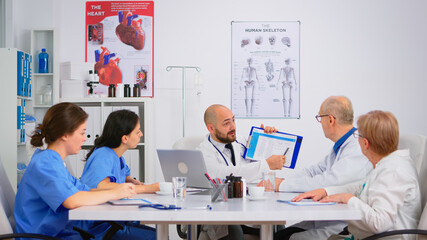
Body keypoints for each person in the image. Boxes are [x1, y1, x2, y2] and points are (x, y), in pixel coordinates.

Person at [14, 102, 156, 239]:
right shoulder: (45, 163)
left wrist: (121, 191)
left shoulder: (53, 161)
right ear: (65, 134)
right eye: (82, 133)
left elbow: (84, 189)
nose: (84, 139)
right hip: (47, 236)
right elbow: (71, 200)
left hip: (64, 231)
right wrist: (114, 193)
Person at [291, 110, 421, 240]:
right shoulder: (386, 164)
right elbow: (361, 187)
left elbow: (379, 223)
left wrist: (348, 199)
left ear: (365, 143)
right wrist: (326, 191)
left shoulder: (394, 171)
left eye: (357, 135)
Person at [274, 96, 373, 240]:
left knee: (283, 238)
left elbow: (329, 182)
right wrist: (280, 182)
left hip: (344, 223)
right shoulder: (342, 145)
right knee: (279, 235)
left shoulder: (356, 148)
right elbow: (315, 170)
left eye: (320, 118)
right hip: (329, 216)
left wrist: (282, 185)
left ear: (331, 120)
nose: (320, 123)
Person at [197, 104, 286, 240]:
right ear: (211, 128)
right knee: (234, 229)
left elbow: (263, 166)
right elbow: (228, 174)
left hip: (249, 208)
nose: (233, 126)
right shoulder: (203, 153)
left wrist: (268, 139)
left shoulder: (242, 142)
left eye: (233, 120)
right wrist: (266, 164)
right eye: (226, 123)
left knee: (279, 225)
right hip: (222, 212)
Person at [80, 109, 159, 193]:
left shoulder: (117, 156)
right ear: (125, 138)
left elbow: (122, 175)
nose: (141, 134)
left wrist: (130, 180)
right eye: (137, 132)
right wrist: (147, 188)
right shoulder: (103, 155)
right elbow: (101, 186)